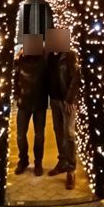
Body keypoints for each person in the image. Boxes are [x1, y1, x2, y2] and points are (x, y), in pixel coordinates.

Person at [44, 27, 81, 190]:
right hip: (54, 100)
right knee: (58, 131)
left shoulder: (70, 55)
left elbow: (76, 77)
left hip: (66, 101)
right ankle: (62, 162)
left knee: (69, 134)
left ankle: (71, 170)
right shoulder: (50, 56)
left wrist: (70, 98)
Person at [13, 34, 48, 176]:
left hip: (40, 103)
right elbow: (14, 77)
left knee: (39, 135)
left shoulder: (44, 60)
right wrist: (16, 95)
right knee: (21, 134)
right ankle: (23, 160)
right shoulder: (20, 61)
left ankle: (38, 162)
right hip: (24, 103)